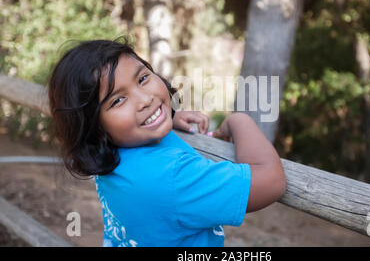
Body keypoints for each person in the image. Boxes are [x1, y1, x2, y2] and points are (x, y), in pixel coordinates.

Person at [47, 38, 286, 247]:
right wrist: (239, 121)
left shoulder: (105, 155)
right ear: (95, 129)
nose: (145, 100)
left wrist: (167, 119)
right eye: (118, 100)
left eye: (142, 78)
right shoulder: (173, 177)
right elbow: (271, 182)